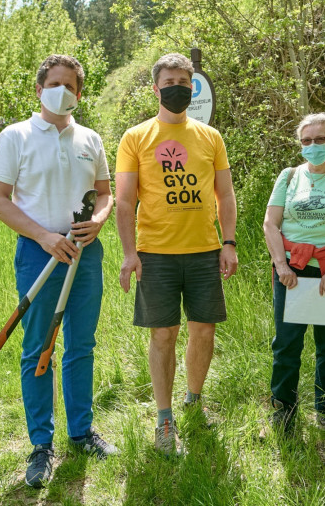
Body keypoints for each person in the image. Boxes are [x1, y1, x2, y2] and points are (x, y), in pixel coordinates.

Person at [0, 54, 116, 488]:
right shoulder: (15, 136)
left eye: (72, 86)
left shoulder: (91, 139)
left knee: (82, 344)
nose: (63, 91)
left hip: (85, 254)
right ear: (39, 89)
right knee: (38, 347)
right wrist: (43, 237)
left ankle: (81, 433)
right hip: (39, 252)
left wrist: (98, 221)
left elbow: (104, 193)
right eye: (55, 83)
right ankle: (41, 445)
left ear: (79, 94)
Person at [114, 52, 238, 457]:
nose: (178, 88)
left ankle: (194, 400)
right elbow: (125, 201)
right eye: (170, 82)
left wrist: (229, 241)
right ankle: (164, 418)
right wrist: (130, 253)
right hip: (156, 254)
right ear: (156, 88)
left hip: (204, 251)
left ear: (192, 87)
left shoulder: (210, 137)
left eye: (185, 82)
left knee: (204, 331)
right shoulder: (135, 137)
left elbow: (225, 194)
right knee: (163, 335)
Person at [262, 113, 325, 437]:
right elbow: (270, 224)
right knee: (286, 344)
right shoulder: (289, 176)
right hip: (292, 270)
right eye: (306, 141)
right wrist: (281, 265)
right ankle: (283, 409)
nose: (313, 146)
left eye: (320, 139)